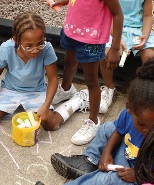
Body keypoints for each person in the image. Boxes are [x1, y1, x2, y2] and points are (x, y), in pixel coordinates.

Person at [51, 61, 154, 185]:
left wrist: (138, 176)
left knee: (109, 179)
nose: (148, 130)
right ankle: (89, 162)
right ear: (129, 108)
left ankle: (93, 176)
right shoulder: (128, 114)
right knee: (107, 128)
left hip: (139, 173)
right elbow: (118, 132)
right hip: (127, 153)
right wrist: (106, 152)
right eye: (142, 124)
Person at [0, 12, 87, 131]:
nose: (35, 50)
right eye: (29, 46)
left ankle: (77, 101)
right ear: (16, 41)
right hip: (10, 90)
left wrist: (45, 106)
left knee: (51, 123)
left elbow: (53, 79)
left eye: (40, 44)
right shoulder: (6, 48)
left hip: (36, 91)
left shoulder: (46, 49)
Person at [51, 0, 123, 145]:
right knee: (69, 63)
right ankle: (65, 89)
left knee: (91, 80)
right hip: (71, 31)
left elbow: (118, 14)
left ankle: (93, 121)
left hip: (92, 40)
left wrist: (115, 47)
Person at [99, 0, 154, 113]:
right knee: (105, 54)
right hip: (113, 28)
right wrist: (117, 39)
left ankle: (143, 90)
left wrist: (145, 35)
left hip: (137, 29)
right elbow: (107, 14)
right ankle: (109, 87)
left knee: (150, 57)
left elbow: (147, 16)